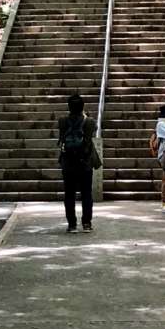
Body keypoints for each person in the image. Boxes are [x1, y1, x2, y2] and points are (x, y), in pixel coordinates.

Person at [58, 93, 98, 233]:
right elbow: (95, 128)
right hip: (85, 163)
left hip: (68, 164)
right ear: (82, 107)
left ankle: (72, 225)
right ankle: (86, 223)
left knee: (69, 194)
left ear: (69, 107)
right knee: (86, 193)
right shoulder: (89, 121)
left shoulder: (62, 120)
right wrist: (84, 115)